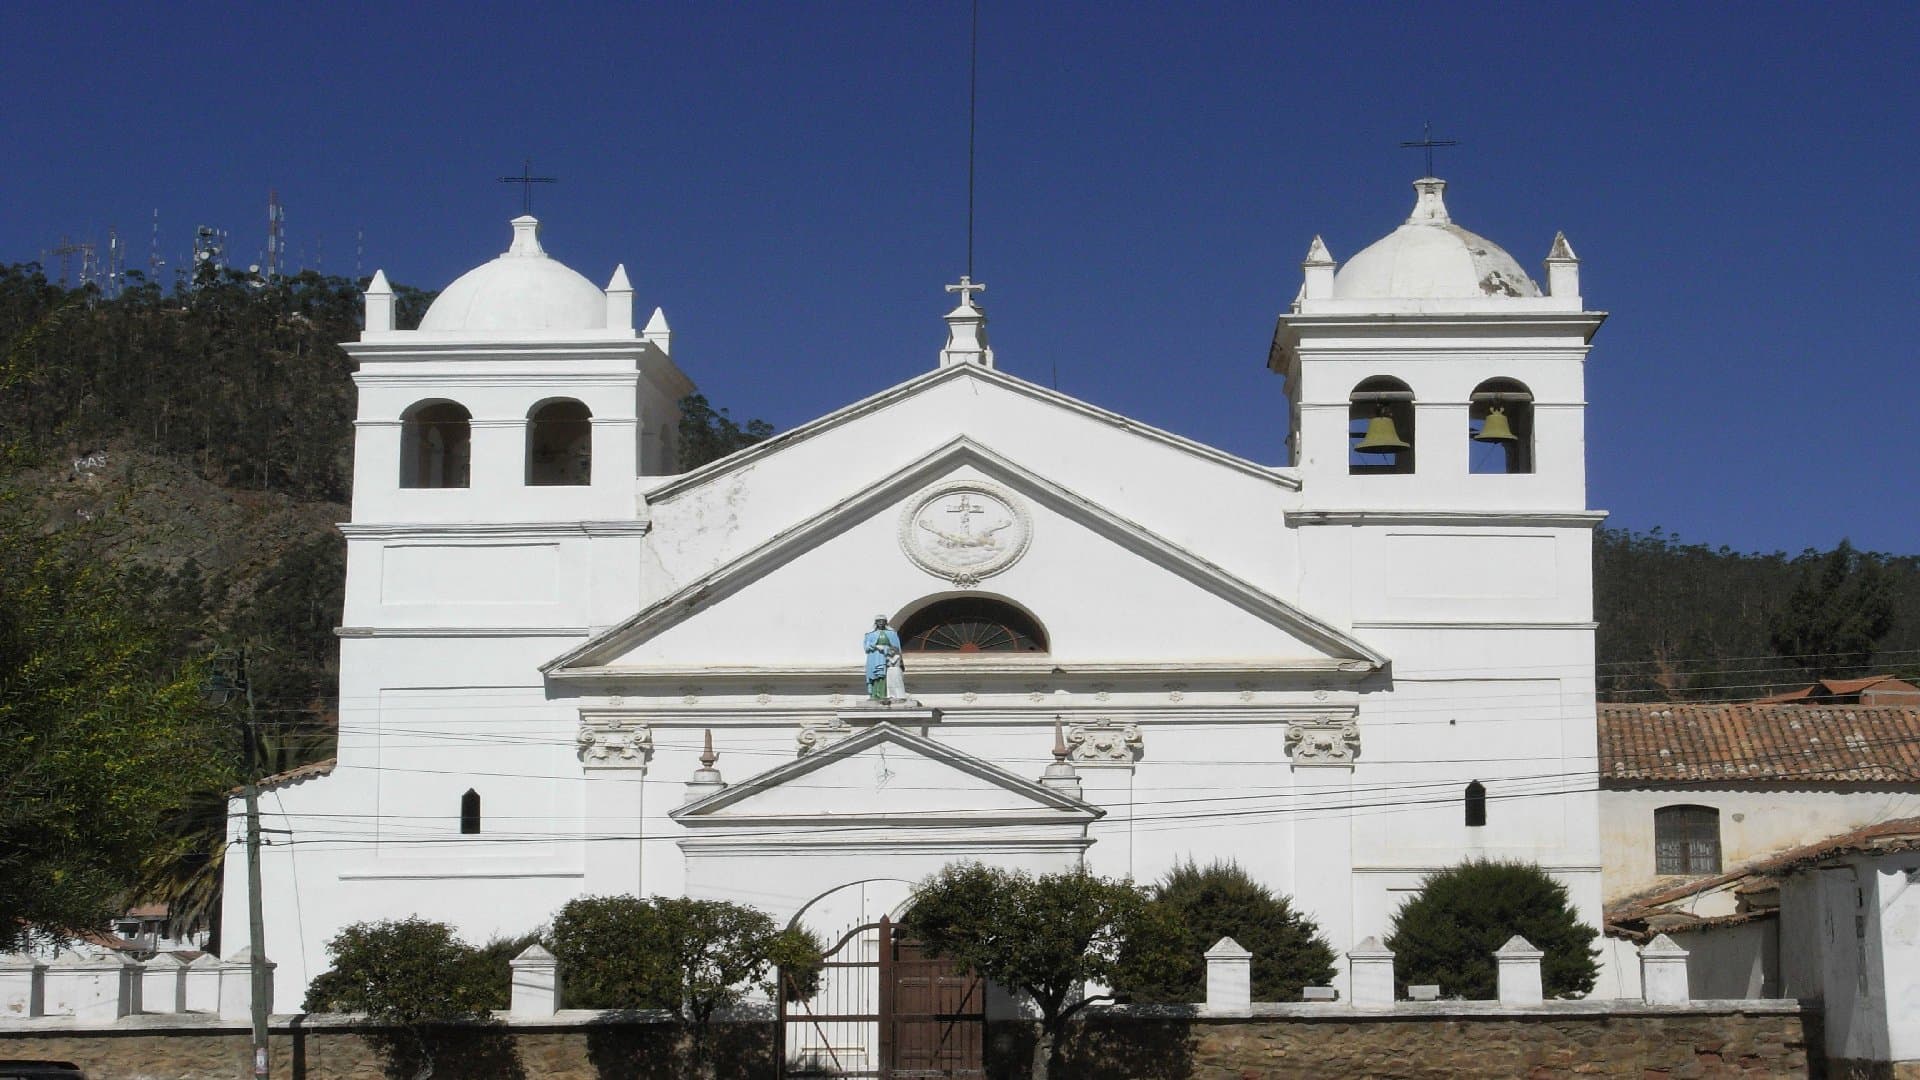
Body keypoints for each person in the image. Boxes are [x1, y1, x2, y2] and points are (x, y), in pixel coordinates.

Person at [863, 616, 903, 702]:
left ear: (886, 622)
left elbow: (896, 648)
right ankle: (874, 694)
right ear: (876, 623)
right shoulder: (870, 634)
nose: (881, 623)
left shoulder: (891, 633)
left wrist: (885, 649)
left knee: (884, 674)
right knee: (874, 674)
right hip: (874, 656)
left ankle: (884, 693)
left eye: (883, 621)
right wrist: (874, 646)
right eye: (879, 621)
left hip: (887, 656)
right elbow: (866, 647)